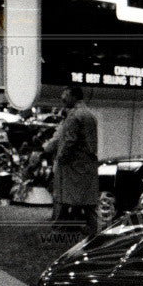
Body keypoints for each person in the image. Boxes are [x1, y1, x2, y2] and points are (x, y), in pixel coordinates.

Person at [43, 86, 99, 236]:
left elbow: (69, 141)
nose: (62, 98)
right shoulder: (89, 114)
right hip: (87, 165)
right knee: (88, 202)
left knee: (64, 198)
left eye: (65, 95)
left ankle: (60, 230)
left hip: (73, 166)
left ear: (74, 96)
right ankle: (92, 231)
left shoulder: (75, 116)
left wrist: (60, 158)